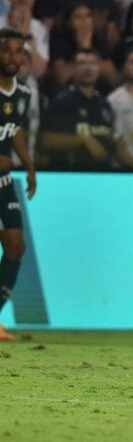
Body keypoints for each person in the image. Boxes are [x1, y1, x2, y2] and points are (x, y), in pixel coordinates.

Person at [0, 28, 37, 341]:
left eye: (17, 51)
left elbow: (17, 131)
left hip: (3, 181)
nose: (12, 57)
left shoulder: (23, 93)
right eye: (6, 50)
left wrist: (28, 164)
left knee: (15, 245)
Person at [40, 48, 116, 169]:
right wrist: (83, 140)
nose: (88, 68)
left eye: (92, 63)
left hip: (103, 174)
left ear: (99, 68)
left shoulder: (105, 103)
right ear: (73, 69)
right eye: (82, 63)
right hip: (72, 172)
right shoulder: (62, 101)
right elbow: (46, 140)